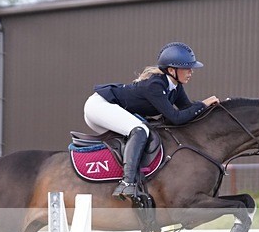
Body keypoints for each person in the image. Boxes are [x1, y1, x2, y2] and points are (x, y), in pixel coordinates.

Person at [84, 42, 220, 200]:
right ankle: (127, 183)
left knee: (141, 134)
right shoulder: (155, 85)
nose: (191, 72)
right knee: (140, 130)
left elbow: (187, 110)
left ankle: (133, 180)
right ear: (172, 70)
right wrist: (203, 104)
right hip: (99, 106)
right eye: (187, 68)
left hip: (110, 108)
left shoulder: (175, 87)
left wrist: (214, 110)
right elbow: (176, 118)